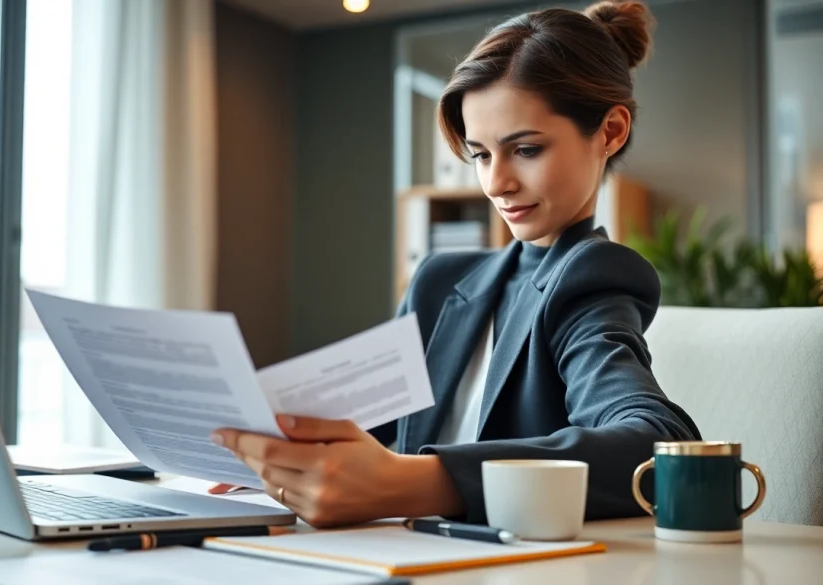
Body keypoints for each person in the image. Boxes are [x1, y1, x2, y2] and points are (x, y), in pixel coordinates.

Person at [209, 0, 700, 529]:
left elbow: (658, 444)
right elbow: (364, 426)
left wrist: (409, 483)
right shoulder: (440, 281)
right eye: (482, 155)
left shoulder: (591, 278)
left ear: (610, 132)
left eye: (527, 149)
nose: (495, 184)